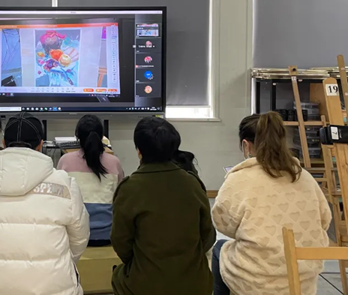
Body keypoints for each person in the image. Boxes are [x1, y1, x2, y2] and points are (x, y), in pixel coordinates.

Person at [0, 113, 90, 295]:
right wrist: (59, 261)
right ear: (40, 145)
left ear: (4, 143)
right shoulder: (65, 184)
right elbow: (79, 239)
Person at [211, 112, 331, 295]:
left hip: (258, 280)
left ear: (246, 145)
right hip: (302, 278)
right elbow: (325, 220)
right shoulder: (304, 177)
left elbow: (223, 224)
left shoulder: (239, 179)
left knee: (220, 249)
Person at [111, 117, 215, 295]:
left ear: (139, 151)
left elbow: (121, 243)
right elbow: (208, 236)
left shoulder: (129, 188)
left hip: (145, 285)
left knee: (118, 274)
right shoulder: (192, 183)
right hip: (196, 284)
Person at [57, 114, 124, 246]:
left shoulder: (65, 161)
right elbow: (120, 199)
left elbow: (58, 199)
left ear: (77, 137)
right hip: (107, 236)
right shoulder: (114, 162)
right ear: (102, 137)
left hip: (75, 237)